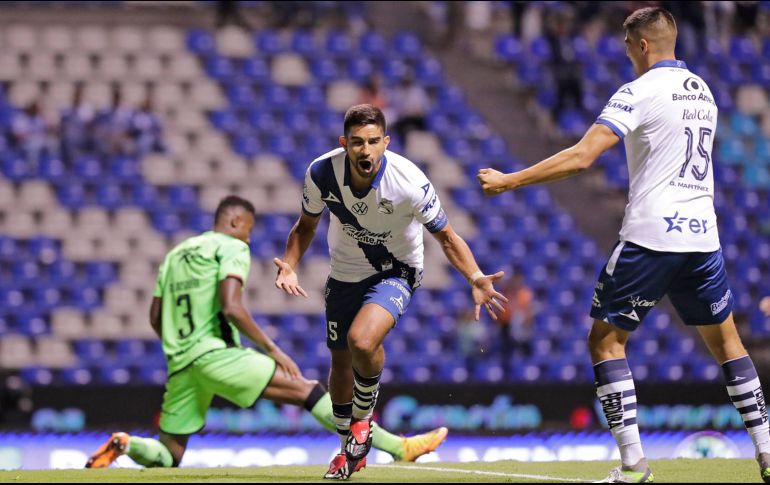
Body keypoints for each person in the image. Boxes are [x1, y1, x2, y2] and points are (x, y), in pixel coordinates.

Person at [477, 7, 770, 484]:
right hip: (702, 236)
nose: (627, 54)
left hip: (652, 235)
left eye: (628, 45)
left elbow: (583, 156)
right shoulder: (703, 90)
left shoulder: (638, 90)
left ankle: (634, 465)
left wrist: (511, 180)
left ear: (643, 45)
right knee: (728, 343)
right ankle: (767, 452)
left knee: (606, 342)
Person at [85, 196, 448, 471]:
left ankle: (127, 444)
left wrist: (181, 348)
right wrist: (272, 349)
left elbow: (155, 316)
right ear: (235, 221)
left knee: (169, 454)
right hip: (216, 354)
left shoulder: (175, 255)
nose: (249, 236)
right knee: (308, 391)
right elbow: (231, 306)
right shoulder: (231, 246)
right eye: (249, 228)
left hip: (181, 364)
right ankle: (399, 448)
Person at [274, 104, 507, 479]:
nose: (365, 150)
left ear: (386, 142)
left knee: (362, 341)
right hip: (344, 273)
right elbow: (305, 226)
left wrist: (476, 277)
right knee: (340, 363)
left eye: (372, 141)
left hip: (396, 270)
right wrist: (289, 263)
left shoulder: (409, 182)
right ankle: (347, 450)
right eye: (356, 142)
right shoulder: (321, 172)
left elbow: (447, 237)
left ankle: (362, 421)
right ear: (344, 143)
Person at [498, 273, 534, 358]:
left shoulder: (525, 294)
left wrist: (526, 320)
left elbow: (529, 310)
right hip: (507, 326)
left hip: (522, 325)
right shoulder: (507, 293)